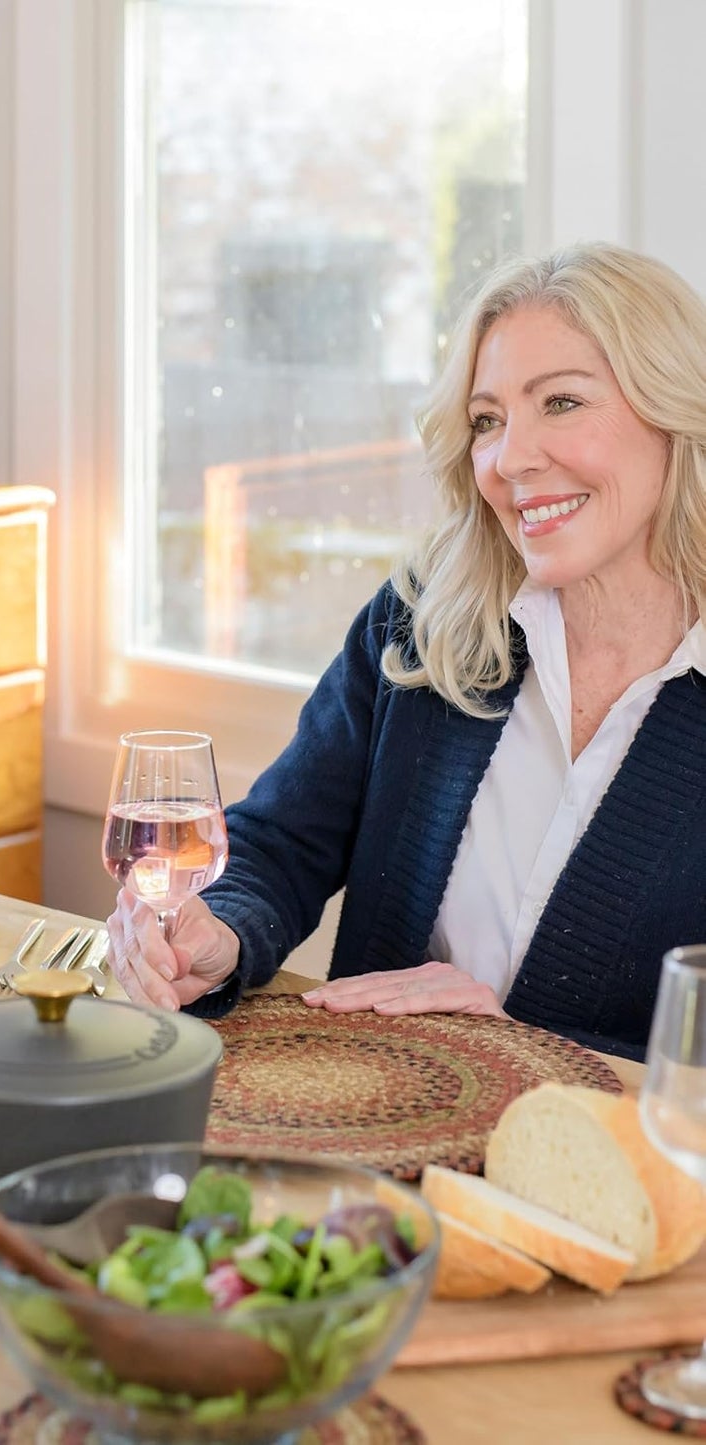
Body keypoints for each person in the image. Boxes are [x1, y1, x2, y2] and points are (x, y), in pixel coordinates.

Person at [107, 241, 706, 1061]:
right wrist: (217, 931)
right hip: (373, 1135)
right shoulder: (424, 621)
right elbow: (283, 839)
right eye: (487, 420)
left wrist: (521, 1045)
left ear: (675, 410)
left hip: (624, 1179)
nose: (509, 460)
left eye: (560, 402)